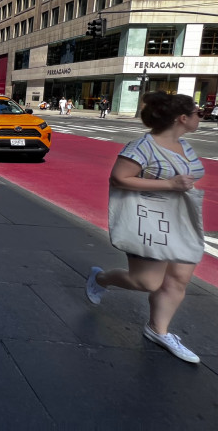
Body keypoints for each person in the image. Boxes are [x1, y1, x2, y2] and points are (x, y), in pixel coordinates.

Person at [85, 92, 205, 364]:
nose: (201, 116)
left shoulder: (184, 146)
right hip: (149, 219)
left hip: (181, 218)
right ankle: (101, 279)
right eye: (198, 113)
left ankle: (158, 330)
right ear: (182, 118)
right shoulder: (142, 146)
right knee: (147, 282)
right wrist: (170, 185)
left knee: (178, 279)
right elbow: (119, 178)